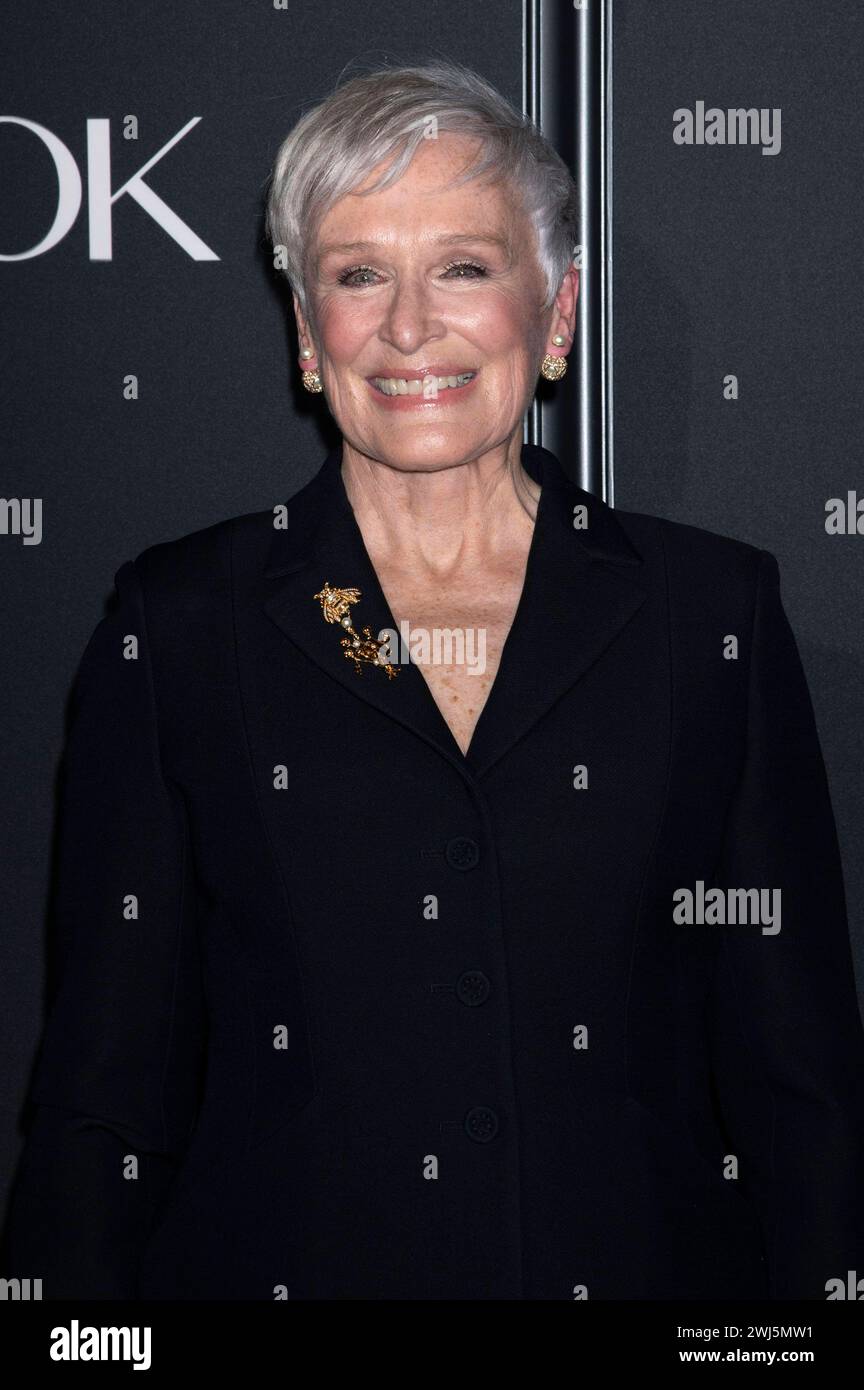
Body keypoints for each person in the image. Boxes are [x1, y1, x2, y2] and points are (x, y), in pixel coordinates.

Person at [6, 59, 864, 1300]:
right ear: (310, 335)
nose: (409, 326)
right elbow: (103, 1097)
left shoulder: (708, 614)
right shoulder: (183, 621)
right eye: (360, 276)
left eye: (463, 266)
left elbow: (802, 1086)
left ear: (556, 312)